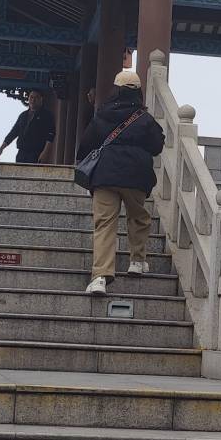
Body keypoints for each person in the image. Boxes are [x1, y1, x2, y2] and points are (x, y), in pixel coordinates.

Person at [75, 67, 165, 296]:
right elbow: (157, 146)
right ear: (138, 92)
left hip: (105, 175)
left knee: (104, 224)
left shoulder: (103, 114)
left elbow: (85, 145)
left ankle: (100, 277)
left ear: (116, 90)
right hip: (136, 175)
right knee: (138, 217)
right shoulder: (144, 118)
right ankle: (136, 260)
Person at [0, 89, 57, 165]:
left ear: (41, 99)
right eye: (31, 97)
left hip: (36, 153)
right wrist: (1, 148)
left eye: (36, 97)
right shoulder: (23, 115)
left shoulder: (47, 116)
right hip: (21, 152)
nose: (33, 100)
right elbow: (13, 132)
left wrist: (45, 153)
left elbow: (50, 136)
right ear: (28, 98)